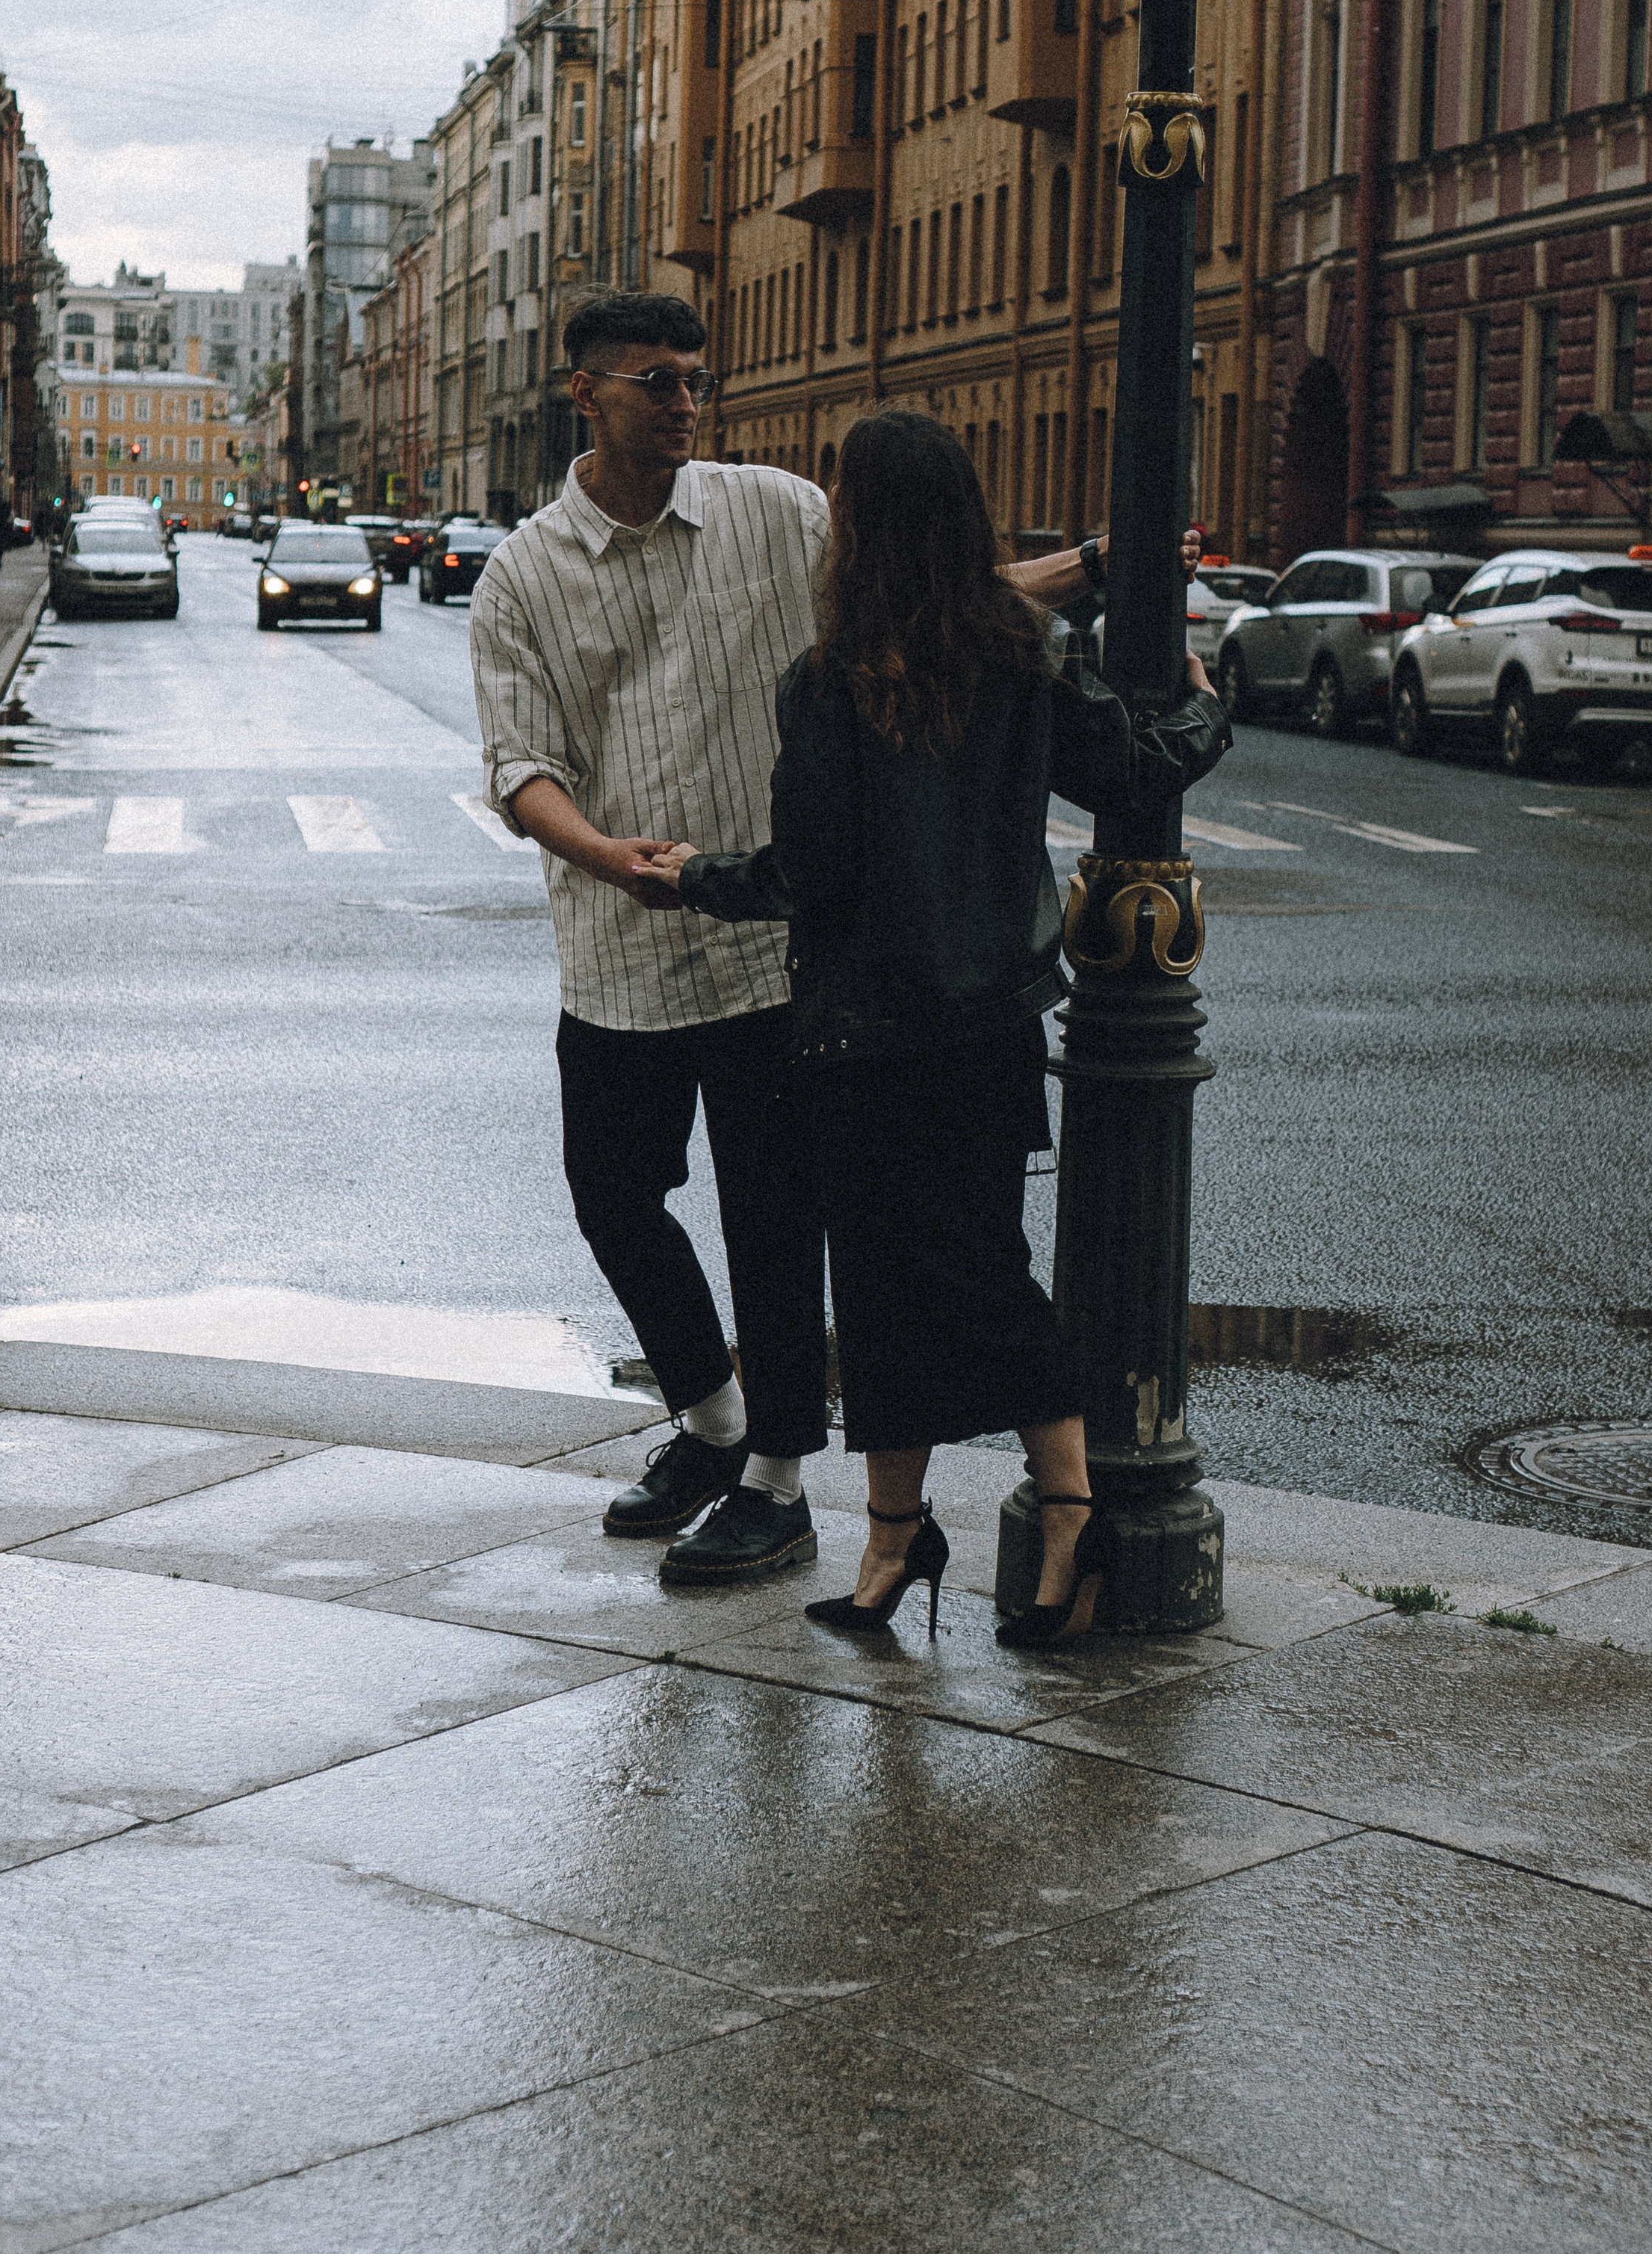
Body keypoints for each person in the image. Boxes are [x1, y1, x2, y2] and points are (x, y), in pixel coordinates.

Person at [471, 293, 1157, 1589]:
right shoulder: (524, 573)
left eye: (695, 378)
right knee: (613, 1198)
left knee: (776, 1226)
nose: (685, 402)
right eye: (657, 381)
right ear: (586, 395)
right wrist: (607, 857)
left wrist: (1090, 569)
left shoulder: (772, 510)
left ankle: (778, 1482)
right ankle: (710, 1418)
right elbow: (521, 764)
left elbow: (923, 600)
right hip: (619, 947)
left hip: (773, 942)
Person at [646, 407, 1231, 1648]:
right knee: (969, 1274)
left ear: (859, 528)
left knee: (906, 1291)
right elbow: (1128, 767)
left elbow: (810, 873)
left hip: (864, 1040)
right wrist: (1208, 715)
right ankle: (905, 1538)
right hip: (986, 1026)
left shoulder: (830, 684)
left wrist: (693, 876)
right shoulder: (1019, 656)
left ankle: (1051, 1517)